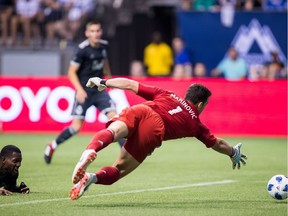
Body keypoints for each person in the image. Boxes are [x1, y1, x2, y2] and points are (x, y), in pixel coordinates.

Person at [69, 76, 248, 200]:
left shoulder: (168, 94)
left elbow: (131, 85)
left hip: (143, 110)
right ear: (201, 104)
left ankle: (90, 151)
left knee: (114, 132)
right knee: (119, 170)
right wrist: (233, 152)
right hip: (154, 129)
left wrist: (103, 82)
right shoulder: (196, 125)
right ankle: (92, 177)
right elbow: (218, 143)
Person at [44, 21, 125, 164]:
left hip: (99, 90)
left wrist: (109, 79)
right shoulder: (82, 50)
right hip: (85, 92)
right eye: (92, 31)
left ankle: (126, 150)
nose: (96, 33)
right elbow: (71, 72)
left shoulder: (104, 46)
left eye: (98, 30)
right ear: (87, 33)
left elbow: (105, 62)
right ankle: (52, 146)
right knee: (76, 127)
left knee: (115, 119)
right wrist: (79, 90)